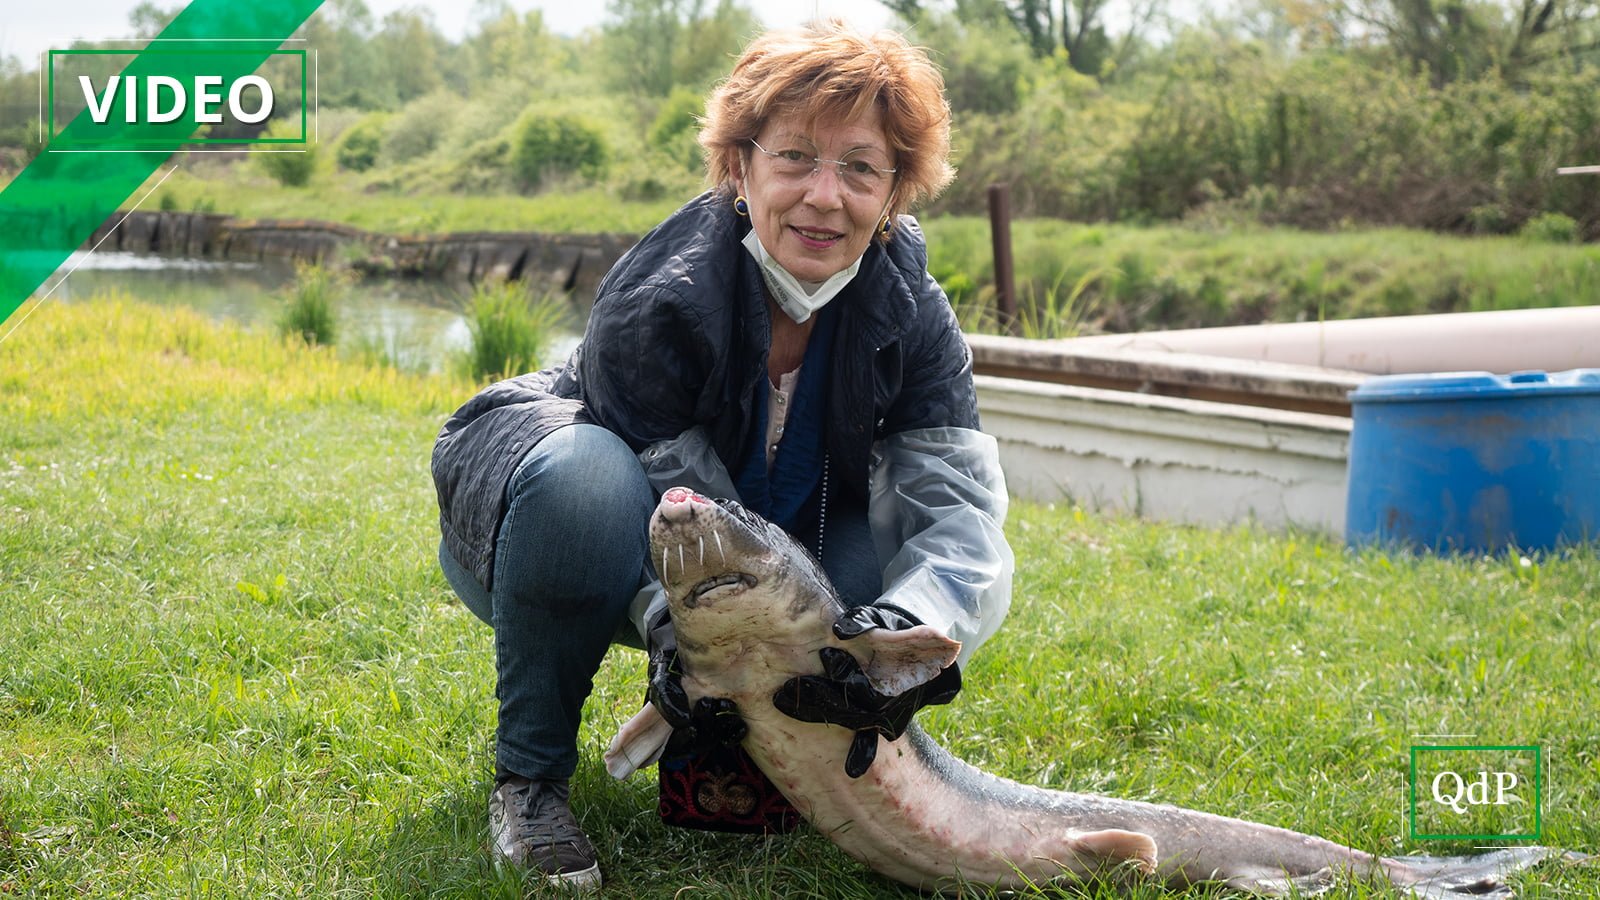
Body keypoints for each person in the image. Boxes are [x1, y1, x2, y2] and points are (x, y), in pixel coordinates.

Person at [430, 18, 1014, 889]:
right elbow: (677, 522)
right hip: (584, 542)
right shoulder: (661, 299)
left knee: (875, 563)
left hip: (772, 555)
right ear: (741, 167)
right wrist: (691, 647)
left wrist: (896, 634)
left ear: (895, 193)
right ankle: (530, 779)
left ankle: (795, 770)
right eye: (795, 158)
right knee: (583, 482)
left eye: (860, 166)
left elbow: (958, 514)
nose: (825, 196)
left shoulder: (915, 314)